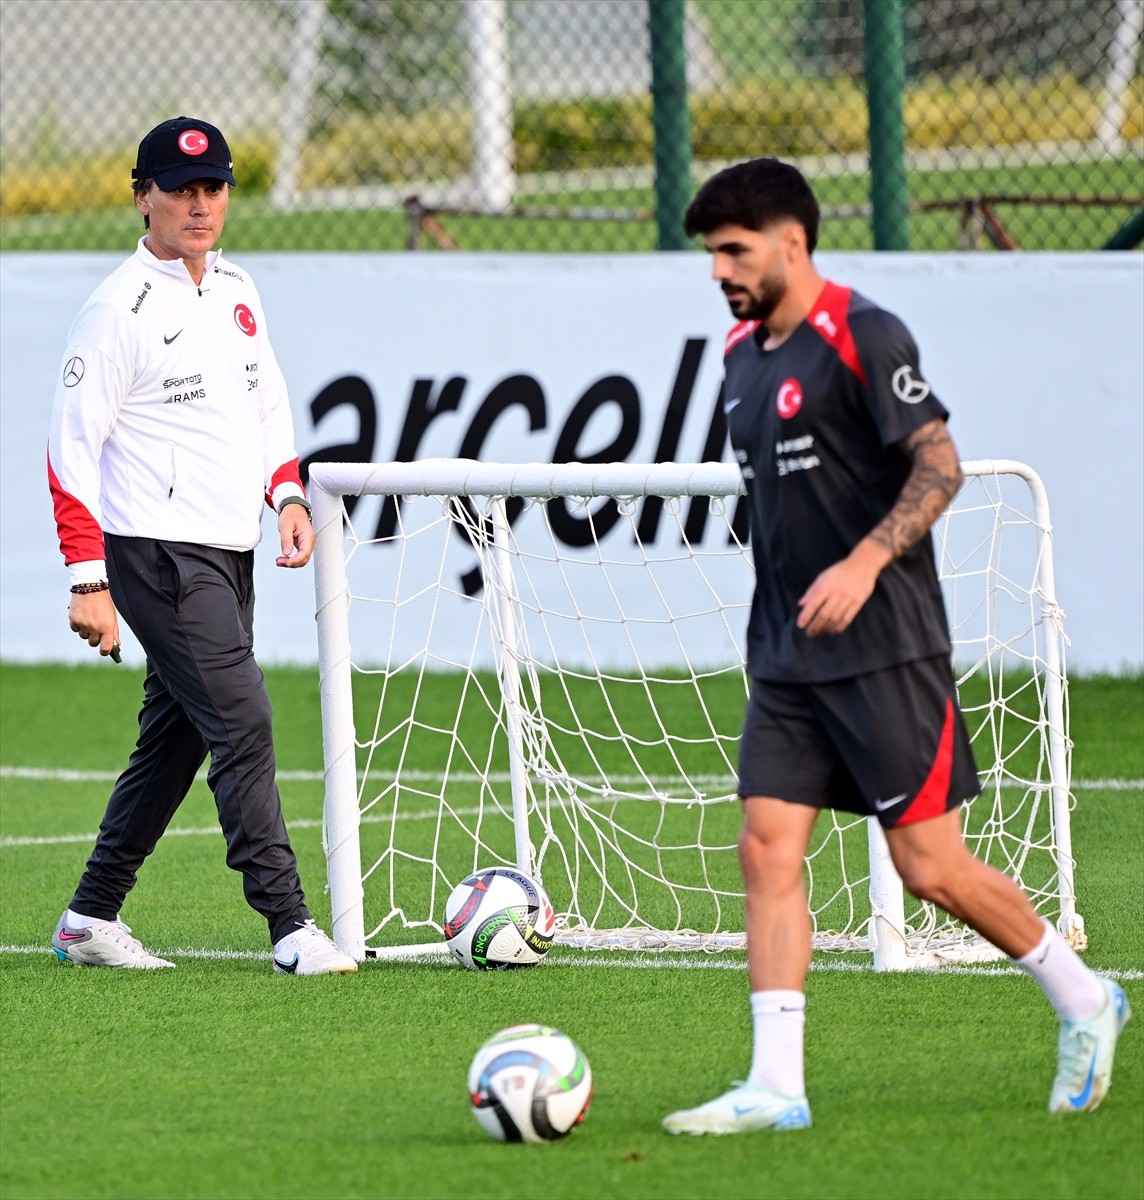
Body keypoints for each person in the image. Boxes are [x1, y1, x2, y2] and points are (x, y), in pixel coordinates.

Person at [662, 158, 1130, 1134]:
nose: (719, 271)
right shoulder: (739, 357)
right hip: (786, 657)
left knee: (930, 870)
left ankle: (1085, 1000)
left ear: (792, 242)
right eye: (712, 254)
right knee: (765, 846)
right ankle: (777, 1086)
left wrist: (865, 563)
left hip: (887, 653)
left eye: (735, 251)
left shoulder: (863, 334)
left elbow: (938, 465)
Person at [46, 116, 356, 976]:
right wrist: (87, 579)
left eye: (213, 187)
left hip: (230, 550)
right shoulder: (116, 310)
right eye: (180, 190)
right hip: (155, 555)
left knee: (177, 738)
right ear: (141, 195)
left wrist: (286, 492)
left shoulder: (237, 288)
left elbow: (267, 405)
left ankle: (88, 916)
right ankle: (291, 928)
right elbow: (70, 451)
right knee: (245, 717)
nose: (199, 204)